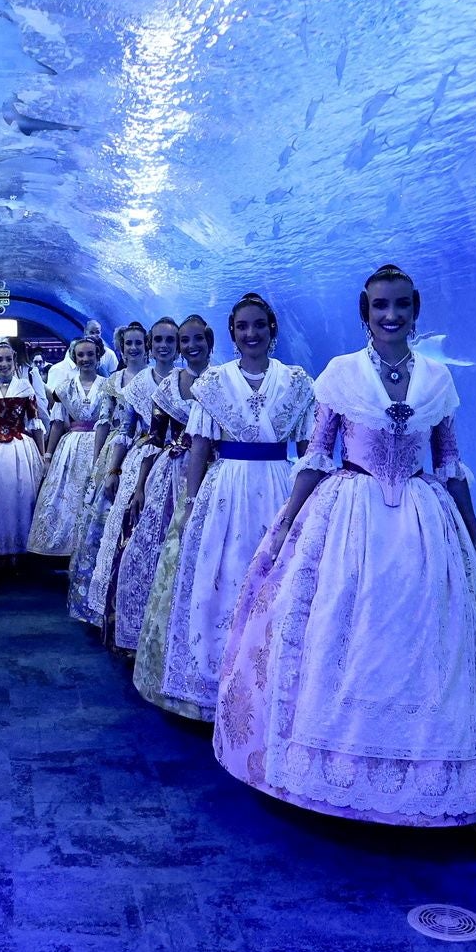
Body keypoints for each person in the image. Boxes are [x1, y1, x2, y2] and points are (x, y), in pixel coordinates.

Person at [212, 265, 476, 827]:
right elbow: (317, 456)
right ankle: (324, 769)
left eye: (400, 306)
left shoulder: (437, 379)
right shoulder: (341, 374)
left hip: (421, 523)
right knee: (339, 633)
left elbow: (449, 465)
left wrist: (474, 537)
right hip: (349, 520)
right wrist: (287, 523)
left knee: (416, 636)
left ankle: (418, 782)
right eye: (379, 306)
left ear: (415, 310)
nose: (391, 316)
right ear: (363, 314)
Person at [156, 293, 314, 721]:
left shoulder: (298, 382)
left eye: (259, 325)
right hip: (227, 490)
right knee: (221, 579)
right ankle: (217, 687)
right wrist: (189, 503)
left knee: (276, 584)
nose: (251, 334)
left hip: (280, 486)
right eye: (243, 327)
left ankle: (272, 688)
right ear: (231, 332)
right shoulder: (213, 384)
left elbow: (307, 450)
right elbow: (199, 447)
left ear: (272, 329)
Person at [131, 315, 213, 705]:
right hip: (172, 470)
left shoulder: (224, 379)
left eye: (197, 339)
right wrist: (140, 483)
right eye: (184, 340)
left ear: (210, 340)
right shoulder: (168, 386)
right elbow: (154, 435)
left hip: (217, 474)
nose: (190, 346)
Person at [87, 316, 182, 645]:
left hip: (184, 464)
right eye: (158, 341)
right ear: (151, 346)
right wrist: (112, 471)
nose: (163, 347)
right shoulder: (138, 386)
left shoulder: (192, 381)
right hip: (144, 462)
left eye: (170, 341)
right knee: (132, 538)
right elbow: (125, 433)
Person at [65, 321, 148, 624]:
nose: (134, 348)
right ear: (122, 348)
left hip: (147, 451)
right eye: (129, 344)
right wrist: (99, 461)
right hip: (116, 450)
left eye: (139, 343)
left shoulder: (160, 379)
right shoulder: (113, 381)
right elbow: (104, 421)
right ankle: (100, 603)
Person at [27, 336, 109, 557]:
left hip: (100, 445)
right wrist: (48, 455)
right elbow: (56, 424)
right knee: (67, 499)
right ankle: (68, 549)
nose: (85, 359)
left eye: (90, 354)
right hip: (71, 447)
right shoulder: (64, 389)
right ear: (75, 358)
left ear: (98, 356)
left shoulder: (109, 387)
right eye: (81, 355)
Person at [0, 341, 47, 562]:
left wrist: (42, 457)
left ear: (14, 361)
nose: (4, 364)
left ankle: (20, 551)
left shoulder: (24, 387)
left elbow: (35, 423)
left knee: (21, 496)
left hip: (20, 449)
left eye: (8, 359)